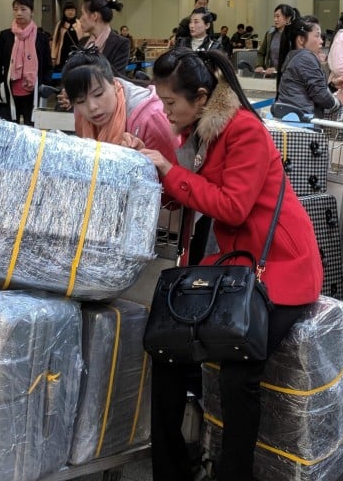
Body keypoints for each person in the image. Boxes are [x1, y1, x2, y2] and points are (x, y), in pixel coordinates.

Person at [130, 48, 322, 481]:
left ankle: (234, 474)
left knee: (240, 374)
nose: (164, 110)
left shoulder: (244, 131)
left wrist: (166, 169)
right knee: (167, 350)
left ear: (200, 98)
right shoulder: (201, 131)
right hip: (234, 268)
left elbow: (232, 207)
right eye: (159, 101)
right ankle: (172, 469)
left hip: (279, 269)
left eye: (170, 103)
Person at [62, 49, 177, 163]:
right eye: (80, 101)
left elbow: (172, 173)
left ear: (114, 83)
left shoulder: (150, 118)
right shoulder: (81, 114)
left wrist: (138, 160)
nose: (92, 107)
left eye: (98, 94)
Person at [0, 0, 52, 126]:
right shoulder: (5, 35)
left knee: (32, 131)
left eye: (23, 9)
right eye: (15, 9)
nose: (19, 13)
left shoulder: (41, 38)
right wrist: (1, 83)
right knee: (7, 130)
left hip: (33, 92)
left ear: (32, 12)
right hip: (9, 92)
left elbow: (47, 65)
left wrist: (43, 84)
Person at [277, 16, 343, 118]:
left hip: (291, 117)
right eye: (317, 36)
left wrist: (332, 86)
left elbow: (310, 90)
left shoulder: (293, 56)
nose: (321, 41)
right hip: (302, 122)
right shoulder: (306, 57)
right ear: (301, 39)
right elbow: (321, 97)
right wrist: (339, 101)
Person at [78, 0, 130, 76]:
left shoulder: (121, 43)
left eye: (82, 14)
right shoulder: (83, 42)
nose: (80, 19)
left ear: (94, 16)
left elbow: (115, 77)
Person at [255, 4, 297, 78]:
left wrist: (276, 68)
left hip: (288, 77)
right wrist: (260, 65)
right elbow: (261, 53)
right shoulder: (270, 34)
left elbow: (293, 59)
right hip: (270, 75)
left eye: (278, 16)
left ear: (288, 18)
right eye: (274, 17)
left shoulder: (294, 35)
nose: (275, 20)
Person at [52, 1, 82, 71]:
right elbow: (55, 41)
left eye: (72, 10)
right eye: (68, 10)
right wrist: (53, 57)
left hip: (77, 55)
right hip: (63, 55)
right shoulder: (60, 24)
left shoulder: (80, 23)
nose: (70, 12)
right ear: (64, 12)